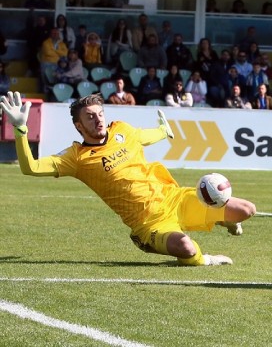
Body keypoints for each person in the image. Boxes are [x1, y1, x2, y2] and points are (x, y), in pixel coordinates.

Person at [0, 92, 254, 265]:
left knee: (246, 209)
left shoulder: (122, 130)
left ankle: (226, 222)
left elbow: (146, 135)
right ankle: (203, 258)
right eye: (90, 116)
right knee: (187, 249)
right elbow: (30, 168)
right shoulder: (76, 158)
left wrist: (164, 131)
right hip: (149, 223)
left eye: (99, 113)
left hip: (175, 198)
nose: (98, 119)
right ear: (78, 126)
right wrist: (21, 130)